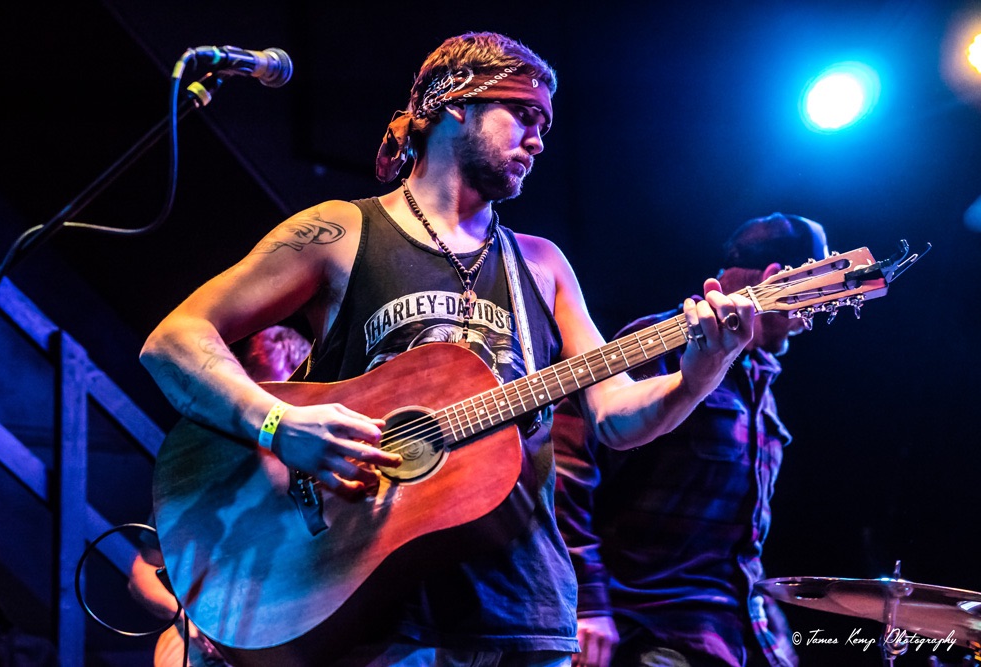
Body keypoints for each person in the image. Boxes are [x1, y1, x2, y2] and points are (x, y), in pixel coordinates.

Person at [139, 31, 755, 667]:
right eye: (524, 115)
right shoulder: (341, 233)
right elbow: (174, 341)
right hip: (376, 612)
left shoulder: (542, 266)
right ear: (455, 104)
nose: (540, 140)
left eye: (545, 122)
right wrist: (278, 422)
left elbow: (615, 417)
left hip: (524, 613)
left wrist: (699, 373)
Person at [553, 213, 831, 667]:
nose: (809, 319)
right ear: (779, 278)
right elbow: (564, 468)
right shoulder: (662, 343)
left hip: (725, 632)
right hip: (643, 628)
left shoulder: (761, 380)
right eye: (814, 295)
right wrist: (587, 600)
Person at [129, 326, 311, 667]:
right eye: (263, 397)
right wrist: (188, 621)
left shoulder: (321, 469)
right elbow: (144, 571)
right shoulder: (206, 471)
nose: (272, 416)